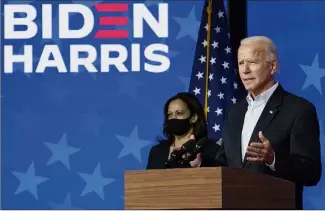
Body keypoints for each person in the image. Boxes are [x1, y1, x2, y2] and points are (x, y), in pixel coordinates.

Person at [218, 36, 322, 209]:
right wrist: (199, 163)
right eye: (241, 63)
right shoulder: (234, 112)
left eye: (252, 62)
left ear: (273, 66)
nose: (245, 70)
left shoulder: (298, 109)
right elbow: (225, 161)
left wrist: (273, 159)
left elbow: (311, 172)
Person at [146, 92, 221, 169]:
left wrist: (200, 164)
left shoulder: (213, 150)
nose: (173, 118)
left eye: (179, 113)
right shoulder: (157, 152)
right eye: (170, 114)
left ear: (193, 118)